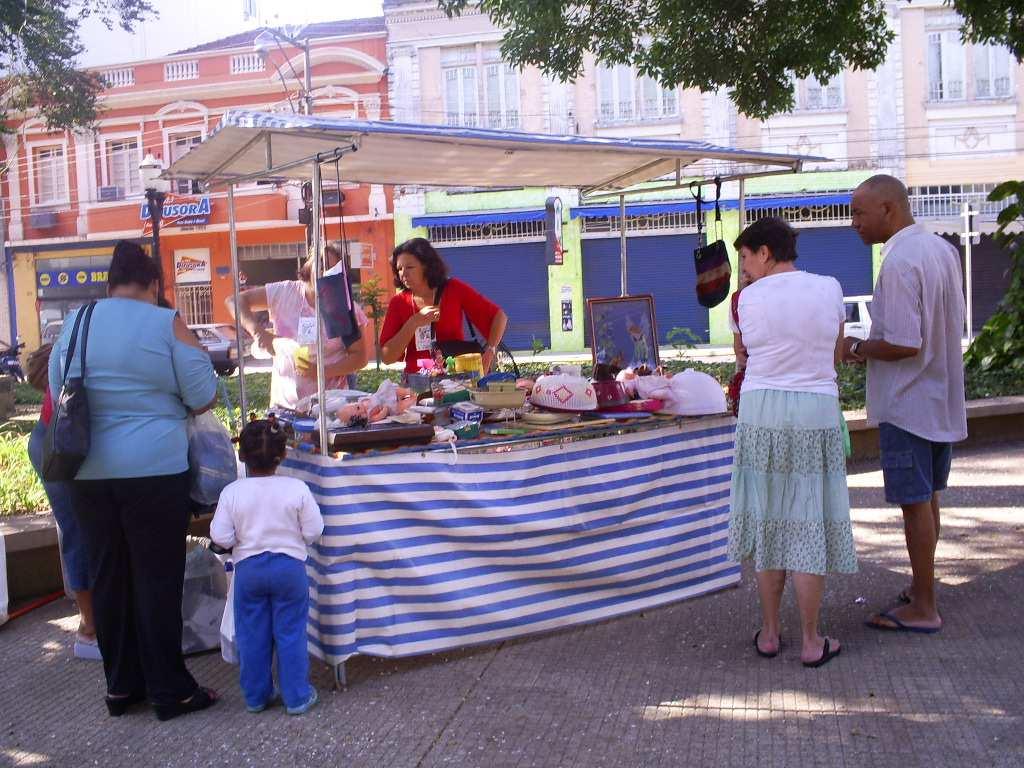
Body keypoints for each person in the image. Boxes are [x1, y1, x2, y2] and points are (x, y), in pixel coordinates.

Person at [49, 241, 220, 720]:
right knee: (156, 578)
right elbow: (204, 394)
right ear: (152, 285)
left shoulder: (77, 323)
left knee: (109, 575)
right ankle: (170, 689)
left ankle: (121, 686)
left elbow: (57, 385)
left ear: (109, 283)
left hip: (87, 472)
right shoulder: (165, 322)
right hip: (154, 471)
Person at [726, 216, 856, 669]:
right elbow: (837, 353)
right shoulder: (830, 288)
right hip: (815, 409)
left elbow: (743, 357)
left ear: (765, 252)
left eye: (745, 257)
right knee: (807, 521)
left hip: (760, 409)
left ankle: (769, 631)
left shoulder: (743, 300)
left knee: (768, 518)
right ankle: (811, 640)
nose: (743, 267)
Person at [844, 174, 967, 635]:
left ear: (889, 210)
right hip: (939, 397)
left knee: (915, 504)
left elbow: (901, 342)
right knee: (928, 499)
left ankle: (925, 607)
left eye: (859, 212)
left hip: (908, 402)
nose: (853, 223)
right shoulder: (941, 250)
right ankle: (922, 590)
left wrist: (855, 348)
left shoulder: (898, 262)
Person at [210, 417, 323, 716]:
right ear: (283, 454)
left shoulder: (232, 492)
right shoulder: (296, 488)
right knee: (291, 632)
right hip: (289, 568)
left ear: (242, 456)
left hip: (249, 570)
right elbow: (314, 530)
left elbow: (220, 536)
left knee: (252, 635)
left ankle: (256, 696)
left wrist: (240, 539)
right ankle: (297, 696)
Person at [230, 242, 369, 410]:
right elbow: (235, 300)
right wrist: (257, 332)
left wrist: (321, 371)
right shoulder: (285, 292)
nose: (324, 274)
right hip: (285, 405)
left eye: (333, 271)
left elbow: (359, 357)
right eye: (321, 266)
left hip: (330, 406)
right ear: (309, 266)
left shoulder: (344, 306)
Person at [25, 343, 98, 661]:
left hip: (61, 437)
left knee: (84, 531)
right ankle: (90, 630)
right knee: (78, 532)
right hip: (60, 442)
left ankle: (97, 622)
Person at [378, 237, 508, 376]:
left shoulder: (454, 289)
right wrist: (414, 322)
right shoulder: (398, 302)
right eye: (399, 268)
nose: (403, 273)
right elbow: (387, 357)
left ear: (426, 266)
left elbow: (499, 317)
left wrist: (490, 351)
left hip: (457, 379)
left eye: (409, 267)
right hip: (417, 383)